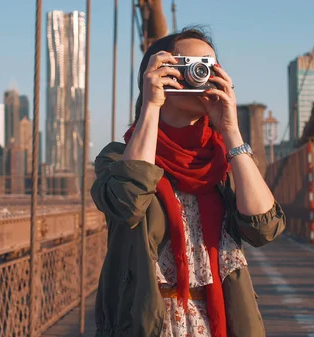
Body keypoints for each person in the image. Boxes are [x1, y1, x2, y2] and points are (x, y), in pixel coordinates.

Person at [90, 27, 286, 337]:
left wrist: (231, 129)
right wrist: (151, 105)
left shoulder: (226, 163)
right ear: (158, 73)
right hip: (150, 325)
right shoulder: (117, 160)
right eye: (188, 66)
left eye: (208, 67)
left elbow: (264, 228)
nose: (200, 75)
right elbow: (127, 203)